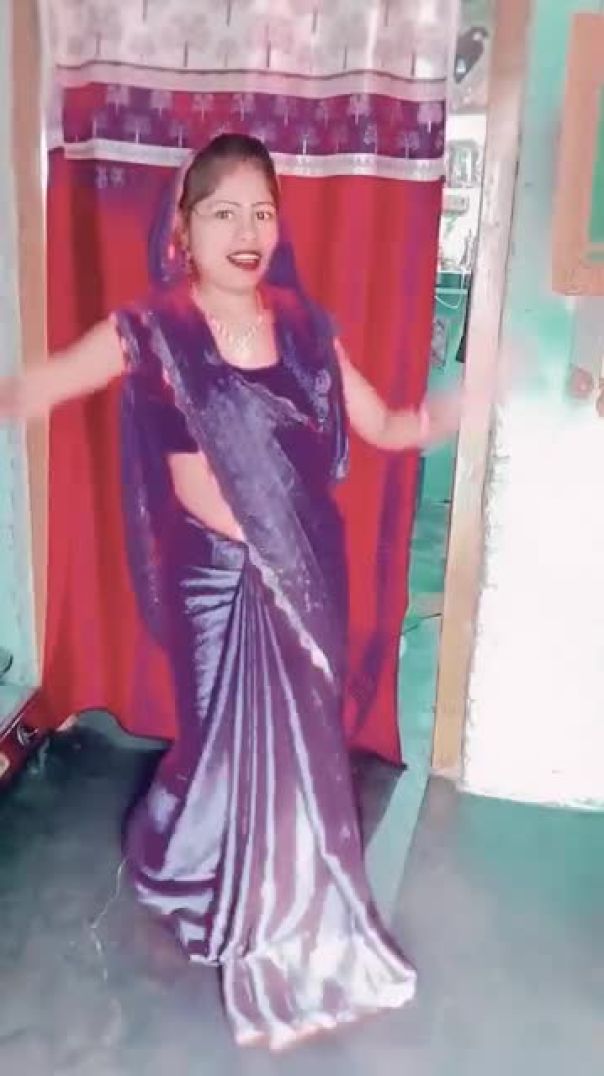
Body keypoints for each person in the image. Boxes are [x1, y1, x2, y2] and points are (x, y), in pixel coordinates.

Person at [0, 134, 461, 1051]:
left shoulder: (304, 327)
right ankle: (192, 856)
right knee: (221, 742)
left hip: (305, 573)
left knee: (301, 754)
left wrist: (464, 400)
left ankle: (284, 902)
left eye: (262, 213)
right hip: (212, 580)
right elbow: (37, 388)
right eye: (223, 213)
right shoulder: (150, 328)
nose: (246, 232)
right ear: (185, 227)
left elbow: (387, 424)